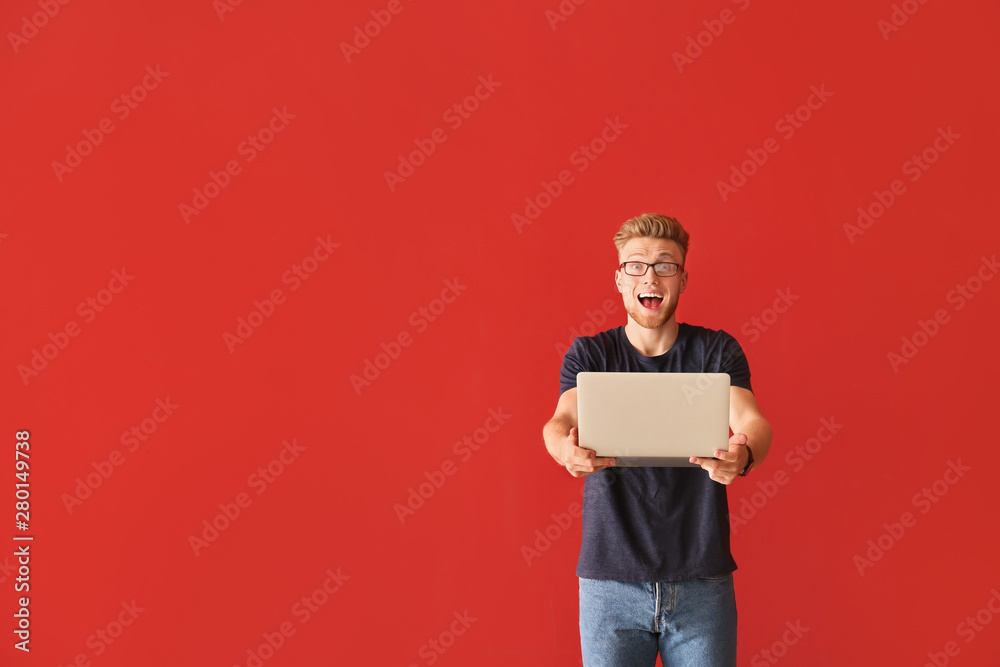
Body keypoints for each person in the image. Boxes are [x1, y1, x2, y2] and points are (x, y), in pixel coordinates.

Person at [542, 213, 773, 667]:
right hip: (609, 585)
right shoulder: (591, 354)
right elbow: (558, 421)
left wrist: (742, 454)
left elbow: (753, 420)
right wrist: (564, 449)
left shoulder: (715, 352)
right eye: (636, 265)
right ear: (619, 278)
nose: (650, 275)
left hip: (701, 582)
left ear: (683, 279)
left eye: (665, 265)